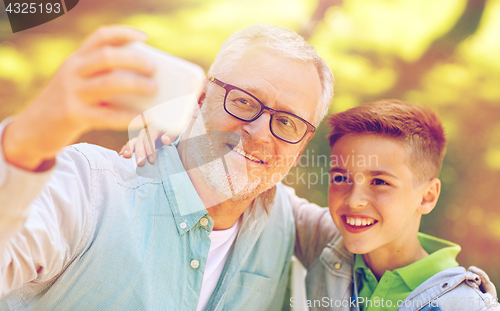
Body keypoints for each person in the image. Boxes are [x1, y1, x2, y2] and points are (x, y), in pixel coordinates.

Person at [0, 24, 334, 310]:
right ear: (201, 98)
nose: (260, 133)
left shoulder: (286, 219)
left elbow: (379, 244)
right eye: (244, 102)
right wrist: (28, 142)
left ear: (302, 143)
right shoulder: (90, 188)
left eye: (288, 122)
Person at [126, 100, 499, 311]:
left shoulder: (464, 305)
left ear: (428, 196)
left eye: (381, 182)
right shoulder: (329, 242)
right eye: (340, 178)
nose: (354, 200)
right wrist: (182, 131)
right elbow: (257, 185)